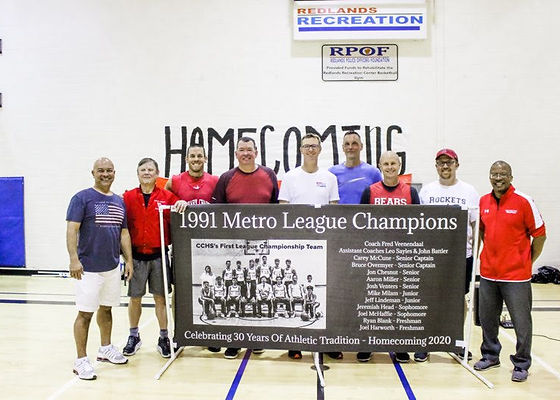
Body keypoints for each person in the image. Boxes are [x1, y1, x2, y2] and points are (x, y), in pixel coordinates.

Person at [474, 161, 546, 383]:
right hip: (488, 274)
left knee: (521, 322)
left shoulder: (524, 201)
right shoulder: (483, 201)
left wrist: (527, 261)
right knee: (487, 319)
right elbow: (482, 232)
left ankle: (522, 363)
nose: (498, 178)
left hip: (516, 276)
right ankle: (490, 355)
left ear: (511, 177)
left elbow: (540, 235)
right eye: (494, 174)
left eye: (503, 174)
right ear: (489, 177)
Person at [66, 157, 133, 380]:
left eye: (109, 170)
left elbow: (124, 233)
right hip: (88, 268)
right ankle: (81, 360)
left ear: (114, 173)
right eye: (101, 170)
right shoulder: (82, 198)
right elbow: (72, 229)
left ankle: (105, 349)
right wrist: (74, 259)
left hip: (111, 266)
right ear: (93, 173)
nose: (105, 174)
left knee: (106, 309)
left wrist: (129, 261)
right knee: (85, 313)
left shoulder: (119, 201)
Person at [212, 136, 279, 359]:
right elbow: (216, 212)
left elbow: (276, 210)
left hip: (262, 247)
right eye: (242, 150)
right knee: (238, 295)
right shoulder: (226, 178)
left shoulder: (268, 175)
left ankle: (257, 338)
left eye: (249, 149)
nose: (246, 153)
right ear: (236, 154)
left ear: (256, 152)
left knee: (257, 294)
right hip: (234, 248)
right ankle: (234, 341)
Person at [278, 132, 339, 360]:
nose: (310, 149)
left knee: (324, 293)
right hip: (296, 246)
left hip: (323, 246)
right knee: (300, 292)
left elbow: (334, 212)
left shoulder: (329, 178)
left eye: (314, 146)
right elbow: (283, 211)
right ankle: (296, 342)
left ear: (320, 150)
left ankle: (327, 342)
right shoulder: (290, 177)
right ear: (301, 150)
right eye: (306, 146)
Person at [417, 148, 479, 362]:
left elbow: (476, 226)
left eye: (449, 162)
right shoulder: (427, 191)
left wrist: (475, 254)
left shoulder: (469, 191)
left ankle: (456, 341)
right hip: (433, 255)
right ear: (436, 166)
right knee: (429, 298)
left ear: (456, 165)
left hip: (461, 256)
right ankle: (425, 341)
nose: (445, 166)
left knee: (459, 299)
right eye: (441, 163)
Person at [360, 151, 419, 363]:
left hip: (402, 255)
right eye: (386, 164)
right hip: (376, 255)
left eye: (394, 163)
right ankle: (368, 344)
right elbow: (361, 223)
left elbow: (419, 223)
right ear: (380, 166)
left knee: (399, 305)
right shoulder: (370, 191)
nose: (390, 167)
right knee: (373, 304)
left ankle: (400, 345)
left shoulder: (411, 192)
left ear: (400, 165)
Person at [122, 158, 179, 359]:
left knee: (160, 299)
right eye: (143, 170)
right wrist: (125, 258)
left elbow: (180, 211)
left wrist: (181, 203)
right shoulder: (127, 197)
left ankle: (163, 337)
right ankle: (133, 335)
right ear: (138, 173)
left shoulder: (167, 197)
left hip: (159, 256)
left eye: (150, 170)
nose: (146, 173)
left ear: (157, 174)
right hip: (136, 257)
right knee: (135, 298)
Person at [329, 131, 382, 204]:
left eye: (354, 143)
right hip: (339, 212)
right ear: (343, 148)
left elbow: (380, 199)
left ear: (361, 146)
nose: (350, 147)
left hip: (365, 212)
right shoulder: (332, 173)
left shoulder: (374, 173)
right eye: (347, 144)